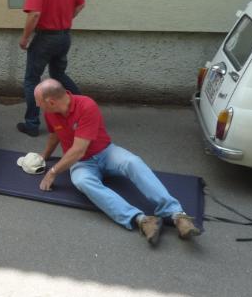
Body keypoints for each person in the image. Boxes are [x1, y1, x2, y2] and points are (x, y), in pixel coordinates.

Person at [33, 78, 201, 245]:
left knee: (133, 162)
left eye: (39, 102)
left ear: (52, 102)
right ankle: (142, 220)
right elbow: (55, 135)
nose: (37, 105)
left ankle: (177, 215)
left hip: (105, 152)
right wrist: (44, 156)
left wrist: (53, 171)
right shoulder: (50, 113)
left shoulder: (86, 106)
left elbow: (78, 150)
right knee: (81, 181)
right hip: (82, 164)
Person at [17, 0, 86, 138]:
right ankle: (84, 108)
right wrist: (64, 21)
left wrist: (24, 38)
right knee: (59, 76)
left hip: (45, 39)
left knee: (31, 80)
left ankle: (31, 124)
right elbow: (80, 5)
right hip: (64, 36)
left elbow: (35, 14)